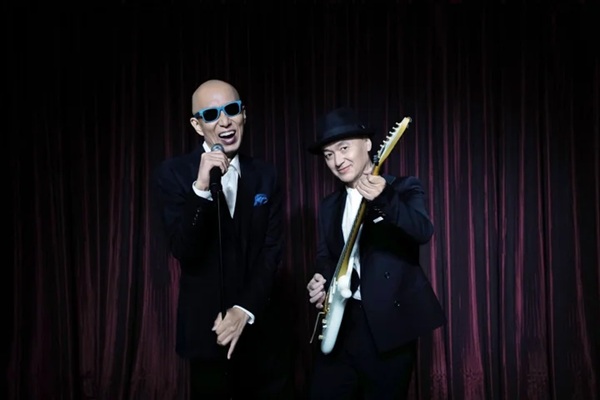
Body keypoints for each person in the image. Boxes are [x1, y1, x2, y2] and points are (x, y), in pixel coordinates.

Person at [153, 79, 291, 399]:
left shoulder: (266, 175)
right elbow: (184, 249)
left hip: (261, 330)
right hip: (207, 335)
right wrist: (200, 189)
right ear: (197, 125)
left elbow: (271, 251)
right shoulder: (172, 174)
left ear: (244, 114)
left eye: (231, 110)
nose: (225, 121)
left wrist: (244, 309)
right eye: (212, 114)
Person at [305, 107, 446, 399]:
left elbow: (423, 231)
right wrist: (320, 280)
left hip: (387, 329)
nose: (337, 161)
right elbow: (325, 256)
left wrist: (385, 198)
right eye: (329, 154)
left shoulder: (403, 188)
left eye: (344, 148)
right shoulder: (329, 206)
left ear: (368, 144)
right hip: (341, 327)